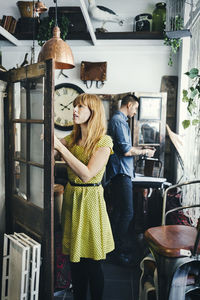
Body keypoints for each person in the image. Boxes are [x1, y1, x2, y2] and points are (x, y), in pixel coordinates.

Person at [54, 93, 114, 300]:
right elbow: (49, 151)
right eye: (74, 106)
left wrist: (60, 147)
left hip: (90, 201)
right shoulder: (72, 138)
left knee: (92, 263)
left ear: (93, 112)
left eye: (81, 107)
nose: (75, 110)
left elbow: (87, 175)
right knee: (75, 261)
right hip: (72, 199)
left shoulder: (104, 142)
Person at [106, 94, 155, 264]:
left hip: (121, 172)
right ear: (129, 105)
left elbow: (125, 148)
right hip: (120, 173)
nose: (135, 112)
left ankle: (113, 248)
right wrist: (145, 152)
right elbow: (126, 151)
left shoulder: (119, 121)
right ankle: (117, 251)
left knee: (120, 212)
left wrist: (141, 149)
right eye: (135, 108)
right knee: (127, 212)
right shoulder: (118, 121)